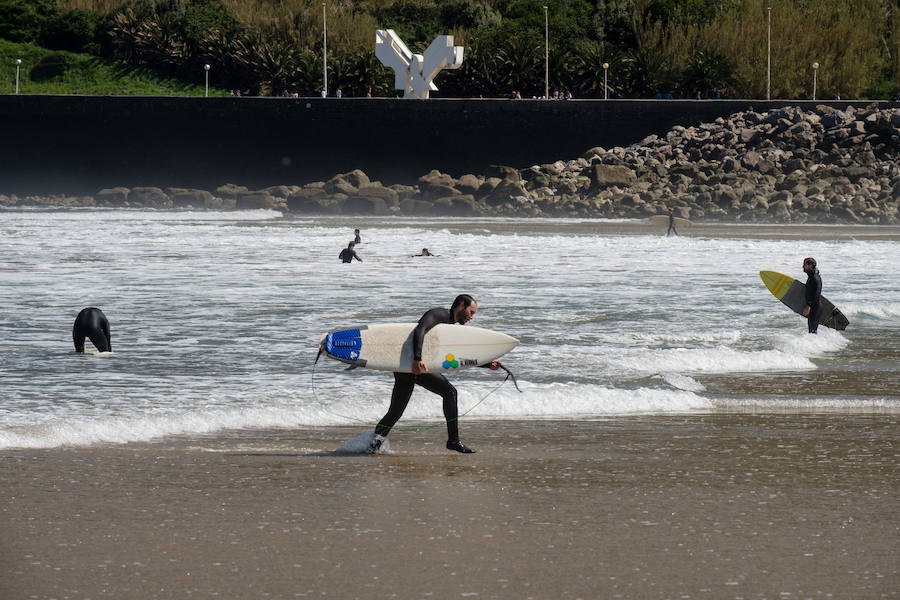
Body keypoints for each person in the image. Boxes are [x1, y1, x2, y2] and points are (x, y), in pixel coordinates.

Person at [369, 294, 500, 454]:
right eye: (471, 312)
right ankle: (453, 441)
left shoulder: (449, 327)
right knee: (450, 392)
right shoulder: (439, 315)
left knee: (395, 412)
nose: (471, 317)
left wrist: (487, 364)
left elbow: (455, 356)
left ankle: (372, 446)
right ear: (461, 305)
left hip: (405, 367)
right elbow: (420, 329)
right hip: (414, 365)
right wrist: (417, 359)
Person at [802, 257, 822, 334]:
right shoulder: (812, 276)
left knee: (812, 331)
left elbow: (817, 293)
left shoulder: (814, 278)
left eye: (804, 265)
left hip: (815, 307)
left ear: (810, 266)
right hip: (814, 307)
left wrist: (808, 306)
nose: (803, 266)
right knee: (812, 331)